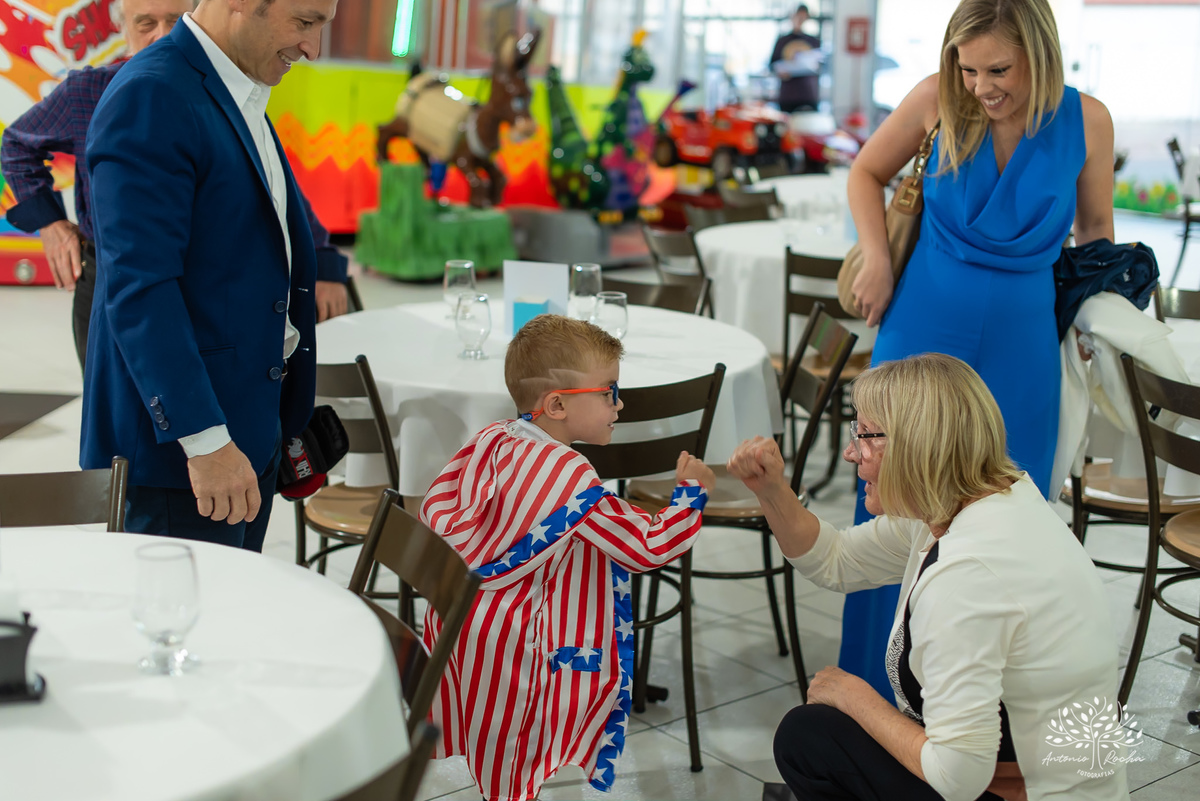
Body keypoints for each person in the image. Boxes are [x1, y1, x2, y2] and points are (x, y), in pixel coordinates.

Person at [840, 0, 1115, 697]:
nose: (982, 87)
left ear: (1041, 54)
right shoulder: (937, 98)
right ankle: (876, 692)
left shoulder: (1087, 121)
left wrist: (1093, 324)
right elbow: (865, 173)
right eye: (968, 69)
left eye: (999, 69)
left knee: (1008, 514)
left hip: (1023, 345)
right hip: (920, 329)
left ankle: (980, 707)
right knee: (896, 506)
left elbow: (1096, 234)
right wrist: (875, 254)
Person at [728, 354, 1125, 801]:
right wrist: (771, 490)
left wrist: (856, 697)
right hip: (1039, 773)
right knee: (820, 733)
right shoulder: (987, 499)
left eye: (864, 435)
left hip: (1030, 791)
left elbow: (959, 779)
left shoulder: (969, 576)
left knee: (809, 735)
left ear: (918, 443)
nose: (850, 451)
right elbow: (834, 560)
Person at [419, 315, 715, 801]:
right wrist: (692, 494)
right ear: (557, 404)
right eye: (609, 393)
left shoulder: (497, 437)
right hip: (520, 650)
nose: (619, 404)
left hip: (464, 631)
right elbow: (648, 546)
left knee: (496, 745)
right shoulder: (571, 481)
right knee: (518, 759)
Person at [80, 0, 339, 550]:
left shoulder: (238, 90)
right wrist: (205, 442)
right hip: (184, 457)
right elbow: (141, 288)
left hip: (250, 430)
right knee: (183, 628)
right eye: (305, 22)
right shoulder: (153, 95)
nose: (312, 48)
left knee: (233, 623)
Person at [0, 0, 349, 373]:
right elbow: (17, 145)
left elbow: (274, 188)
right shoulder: (90, 90)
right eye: (146, 23)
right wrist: (51, 223)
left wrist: (324, 262)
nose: (162, 34)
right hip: (107, 277)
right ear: (123, 29)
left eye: (173, 21)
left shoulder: (223, 92)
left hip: (198, 283)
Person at [770, 5, 822, 113]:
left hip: (808, 94)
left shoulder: (813, 41)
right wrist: (779, 72)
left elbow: (821, 65)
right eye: (798, 17)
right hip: (788, 95)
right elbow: (772, 64)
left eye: (803, 17)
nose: (800, 20)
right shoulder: (782, 41)